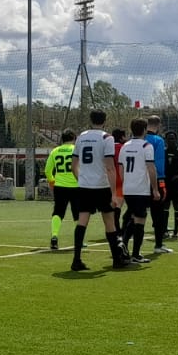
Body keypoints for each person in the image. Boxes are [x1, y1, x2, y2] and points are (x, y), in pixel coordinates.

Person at [70, 109, 131, 272]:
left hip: (84, 186)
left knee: (82, 221)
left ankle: (76, 260)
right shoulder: (107, 138)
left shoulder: (81, 137)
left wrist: (81, 179)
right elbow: (110, 167)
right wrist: (113, 193)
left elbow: (73, 165)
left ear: (90, 120)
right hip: (101, 186)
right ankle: (117, 260)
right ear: (105, 121)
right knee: (109, 222)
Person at [118, 117, 158, 263]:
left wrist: (125, 183)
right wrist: (155, 188)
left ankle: (124, 243)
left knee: (134, 217)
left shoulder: (125, 146)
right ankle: (134, 253)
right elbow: (151, 168)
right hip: (140, 189)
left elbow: (121, 168)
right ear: (145, 130)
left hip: (128, 188)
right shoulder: (146, 146)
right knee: (140, 220)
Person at [45, 129, 78, 251]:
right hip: (76, 186)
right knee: (78, 213)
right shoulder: (76, 150)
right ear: (74, 139)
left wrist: (52, 181)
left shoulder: (55, 151)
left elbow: (48, 170)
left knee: (58, 212)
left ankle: (54, 236)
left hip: (60, 186)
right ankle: (78, 240)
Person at [144, 115, 172, 254]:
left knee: (134, 213)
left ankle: (123, 242)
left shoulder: (138, 139)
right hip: (155, 180)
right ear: (158, 125)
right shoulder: (158, 140)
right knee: (158, 213)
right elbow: (158, 165)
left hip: (139, 180)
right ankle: (158, 245)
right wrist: (160, 182)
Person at [163, 129, 178, 240]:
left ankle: (176, 230)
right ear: (166, 140)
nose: (171, 140)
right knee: (165, 206)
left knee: (177, 206)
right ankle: (164, 230)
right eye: (169, 139)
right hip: (166, 182)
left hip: (177, 183)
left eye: (173, 138)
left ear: (176, 139)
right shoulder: (162, 152)